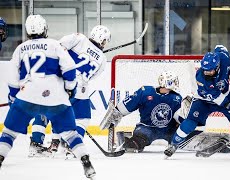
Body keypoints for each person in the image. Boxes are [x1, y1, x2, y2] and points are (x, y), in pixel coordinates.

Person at [0, 14, 95, 178]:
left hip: (26, 96)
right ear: (44, 29)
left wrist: (14, 99)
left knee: (9, 133)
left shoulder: (20, 48)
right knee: (71, 134)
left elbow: (13, 80)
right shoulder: (54, 45)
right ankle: (86, 161)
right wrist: (69, 89)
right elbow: (70, 70)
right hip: (55, 97)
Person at [29, 24, 111, 157]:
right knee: (82, 119)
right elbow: (92, 76)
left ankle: (36, 144)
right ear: (102, 40)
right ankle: (70, 146)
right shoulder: (102, 59)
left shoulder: (79, 38)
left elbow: (58, 47)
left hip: (61, 80)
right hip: (79, 90)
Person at [164, 49, 230, 158]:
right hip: (203, 101)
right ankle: (173, 145)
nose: (206, 73)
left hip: (226, 95)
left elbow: (225, 55)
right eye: (204, 70)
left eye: (209, 71)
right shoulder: (200, 77)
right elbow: (215, 96)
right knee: (190, 123)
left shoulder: (224, 58)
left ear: (217, 66)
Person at [100, 71, 184, 152]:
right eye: (174, 81)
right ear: (168, 82)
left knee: (185, 140)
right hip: (147, 127)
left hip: (169, 129)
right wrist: (114, 115)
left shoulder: (176, 98)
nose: (176, 83)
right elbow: (128, 105)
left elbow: (180, 117)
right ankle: (128, 141)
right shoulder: (145, 92)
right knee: (135, 143)